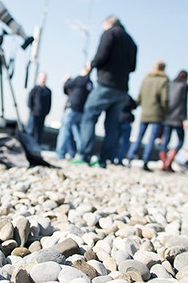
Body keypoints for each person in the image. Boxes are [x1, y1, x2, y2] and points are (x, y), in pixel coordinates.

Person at [72, 15, 137, 168]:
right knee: (112, 125)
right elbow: (133, 67)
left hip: (106, 83)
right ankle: (103, 159)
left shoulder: (110, 33)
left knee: (89, 115)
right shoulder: (132, 42)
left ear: (108, 24)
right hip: (122, 89)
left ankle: (84, 155)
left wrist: (91, 64)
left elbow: (101, 56)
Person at [126, 60, 169, 171]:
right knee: (151, 139)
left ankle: (130, 157)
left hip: (145, 113)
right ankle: (145, 161)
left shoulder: (146, 79)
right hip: (157, 114)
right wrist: (165, 111)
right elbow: (164, 99)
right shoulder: (164, 81)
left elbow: (139, 98)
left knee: (139, 136)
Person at [55, 64, 93, 159]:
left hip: (72, 108)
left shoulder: (79, 79)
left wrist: (67, 79)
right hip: (81, 111)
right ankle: (79, 154)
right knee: (78, 133)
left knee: (65, 131)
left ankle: (60, 154)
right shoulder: (90, 83)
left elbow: (66, 86)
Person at [161, 70, 188, 172]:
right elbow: (184, 102)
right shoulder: (184, 86)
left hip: (167, 116)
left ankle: (164, 162)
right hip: (178, 117)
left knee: (165, 140)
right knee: (181, 140)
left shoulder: (170, 84)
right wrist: (185, 119)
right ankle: (169, 160)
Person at [26, 71, 52, 145]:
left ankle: (37, 146)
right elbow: (29, 101)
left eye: (44, 78)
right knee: (30, 130)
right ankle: (28, 145)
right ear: (39, 78)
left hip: (42, 115)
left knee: (39, 132)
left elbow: (49, 103)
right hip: (34, 114)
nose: (43, 79)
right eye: (42, 78)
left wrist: (46, 112)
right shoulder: (34, 89)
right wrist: (32, 110)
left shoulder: (48, 91)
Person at [112, 94, 137, 166]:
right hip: (126, 120)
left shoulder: (118, 97)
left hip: (118, 119)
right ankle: (120, 159)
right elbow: (135, 106)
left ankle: (112, 158)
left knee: (115, 141)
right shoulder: (129, 98)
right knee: (125, 143)